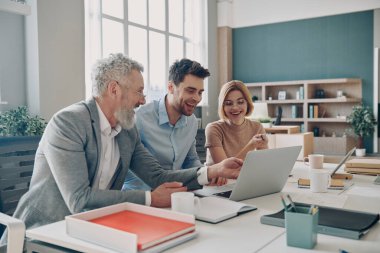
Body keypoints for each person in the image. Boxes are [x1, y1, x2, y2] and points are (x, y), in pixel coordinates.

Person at [0, 54, 242, 240]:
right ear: (114, 89)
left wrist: (212, 172)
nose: (143, 100)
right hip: (48, 229)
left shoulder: (127, 130)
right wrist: (149, 198)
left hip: (99, 226)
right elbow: (78, 200)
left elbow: (157, 176)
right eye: (138, 91)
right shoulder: (68, 123)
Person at [123, 58, 210, 190]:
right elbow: (129, 168)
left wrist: (207, 176)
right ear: (170, 87)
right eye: (190, 91)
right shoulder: (139, 118)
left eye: (200, 92)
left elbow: (190, 160)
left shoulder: (191, 122)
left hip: (177, 194)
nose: (197, 98)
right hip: (143, 197)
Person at [205, 80, 268, 167]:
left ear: (247, 103)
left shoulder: (257, 127)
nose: (235, 107)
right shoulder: (213, 129)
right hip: (219, 179)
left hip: (243, 176)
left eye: (240, 102)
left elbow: (264, 164)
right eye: (228, 103)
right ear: (223, 106)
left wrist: (264, 146)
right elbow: (225, 168)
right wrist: (251, 146)